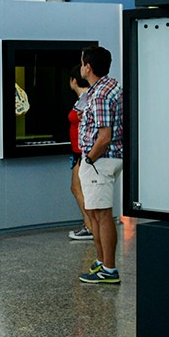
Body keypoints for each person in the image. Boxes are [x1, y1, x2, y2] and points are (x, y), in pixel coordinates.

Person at [76, 46, 125, 284]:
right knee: (94, 212)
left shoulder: (101, 94)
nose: (81, 65)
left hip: (100, 161)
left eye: (82, 62)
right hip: (100, 160)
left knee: (103, 214)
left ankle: (109, 269)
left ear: (89, 67)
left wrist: (89, 158)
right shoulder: (108, 86)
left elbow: (104, 136)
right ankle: (101, 261)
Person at [67, 74, 95, 241]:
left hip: (83, 152)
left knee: (78, 189)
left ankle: (90, 226)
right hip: (78, 152)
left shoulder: (86, 99)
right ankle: (90, 225)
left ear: (74, 80)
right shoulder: (82, 99)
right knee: (76, 188)